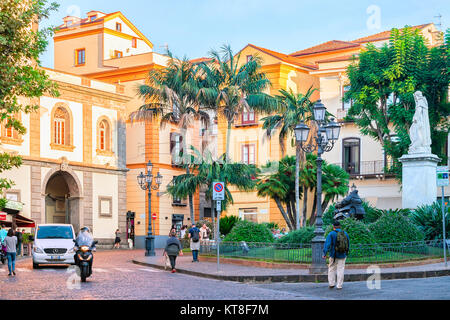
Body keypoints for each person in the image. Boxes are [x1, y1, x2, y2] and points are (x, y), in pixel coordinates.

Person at [322, 221, 350, 290]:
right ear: (340, 226)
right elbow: (348, 244)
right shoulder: (345, 234)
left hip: (333, 255)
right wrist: (346, 253)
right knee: (340, 269)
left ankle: (331, 284)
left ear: (333, 227)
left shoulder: (331, 234)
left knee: (331, 269)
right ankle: (339, 285)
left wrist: (324, 253)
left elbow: (327, 244)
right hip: (342, 255)